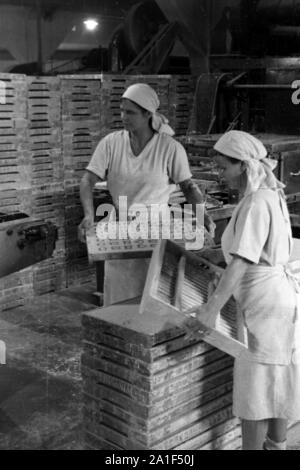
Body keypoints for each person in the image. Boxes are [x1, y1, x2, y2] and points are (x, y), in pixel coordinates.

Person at [184, 130, 300, 450]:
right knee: (277, 379)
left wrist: (210, 309)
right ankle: (277, 446)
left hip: (264, 307)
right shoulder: (270, 193)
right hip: (278, 299)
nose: (220, 175)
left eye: (223, 168)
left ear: (244, 166)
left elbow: (241, 262)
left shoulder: (256, 202)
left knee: (255, 392)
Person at [78, 83, 215, 306]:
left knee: (156, 291)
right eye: (121, 111)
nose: (123, 117)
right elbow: (87, 180)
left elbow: (188, 187)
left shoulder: (169, 148)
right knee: (120, 293)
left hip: (157, 228)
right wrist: (88, 215)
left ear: (147, 114)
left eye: (130, 112)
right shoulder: (111, 143)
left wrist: (203, 216)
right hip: (121, 226)